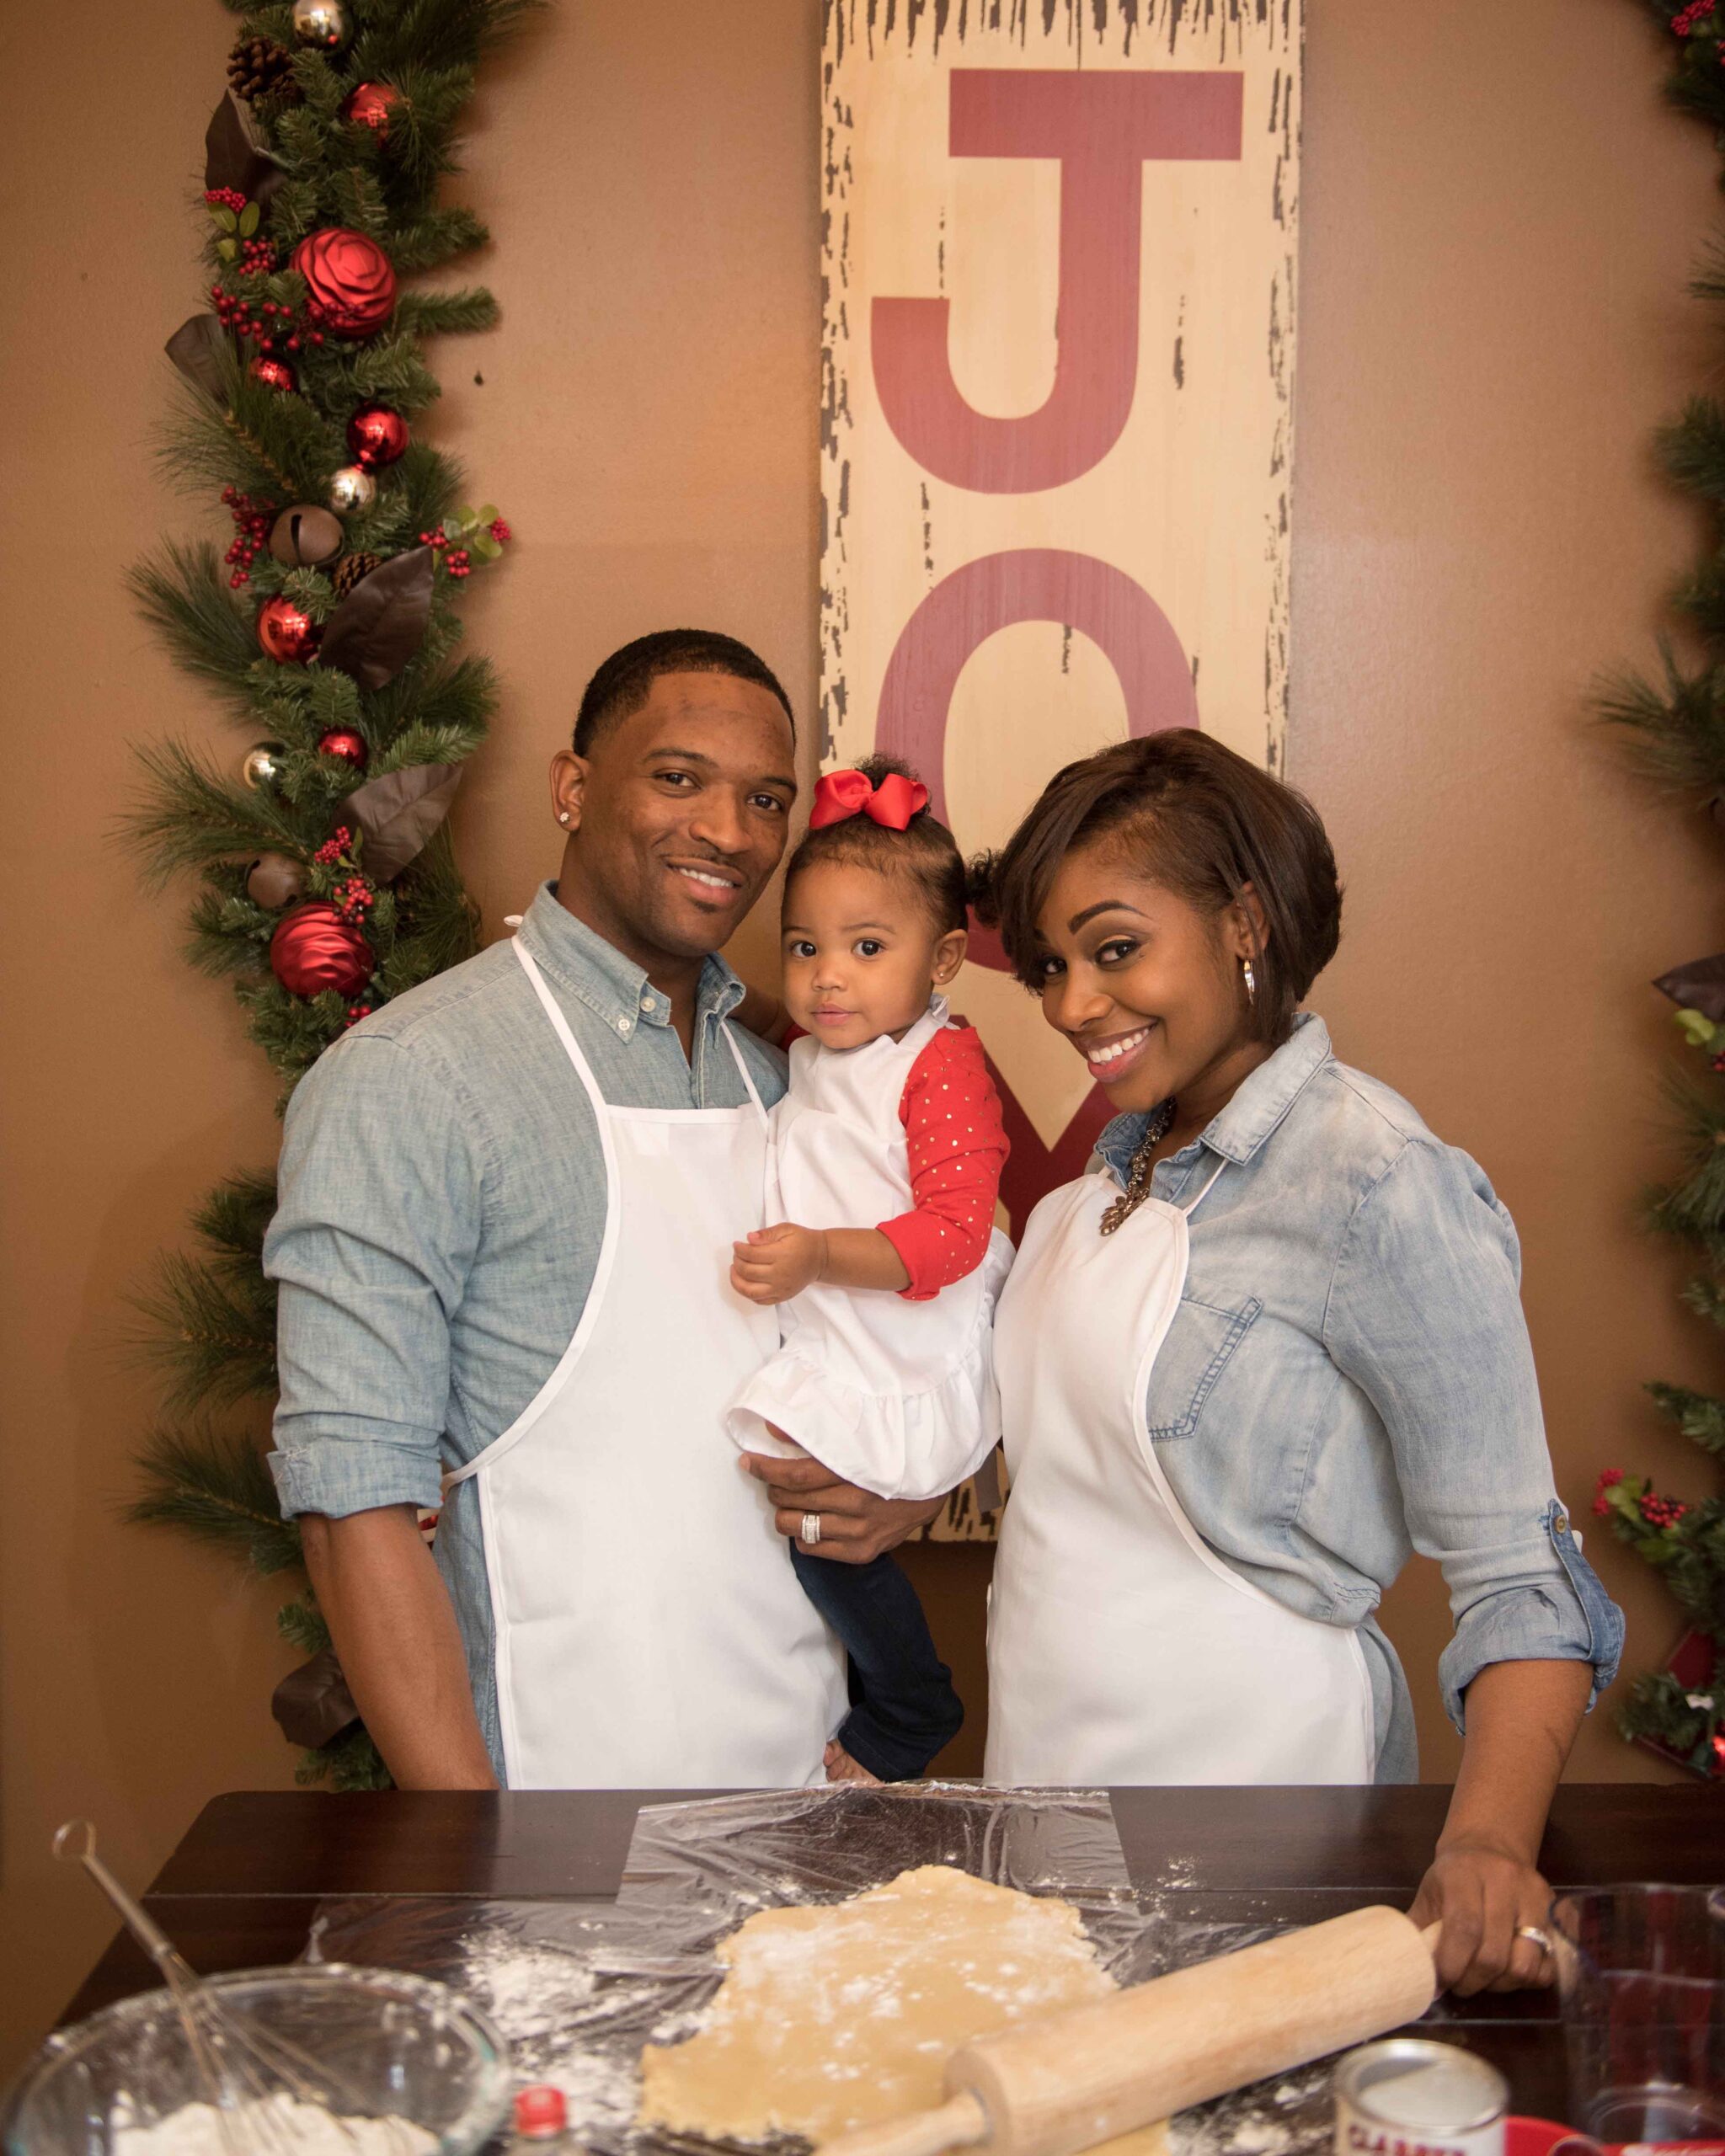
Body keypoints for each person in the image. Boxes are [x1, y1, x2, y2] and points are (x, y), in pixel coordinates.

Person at [975, 729, 1624, 1997]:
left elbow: (1519, 1574)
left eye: (1115, 950)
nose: (1068, 1006)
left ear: (1244, 924)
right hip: (1041, 1796)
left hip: (1265, 1824)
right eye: (1050, 966)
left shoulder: (1377, 1181)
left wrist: (1487, 1842)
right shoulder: (1098, 1188)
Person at [264, 630, 925, 1790]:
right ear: (573, 789)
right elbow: (352, 1498)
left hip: (807, 1788)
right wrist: (470, 1851)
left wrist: (894, 1496)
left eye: (767, 800)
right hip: (550, 1809)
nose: (728, 831)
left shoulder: (795, 1082)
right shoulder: (414, 1076)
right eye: (679, 778)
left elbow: (882, 1352)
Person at [726, 756, 1012, 1784]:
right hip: (844, 1321)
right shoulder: (827, 1043)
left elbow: (950, 1236)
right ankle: (864, 1692)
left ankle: (907, 1701)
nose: (824, 976)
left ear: (939, 963)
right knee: (807, 1524)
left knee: (825, 1531)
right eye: (803, 946)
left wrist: (813, 1256)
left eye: (864, 947)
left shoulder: (939, 1064)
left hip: (904, 1331)